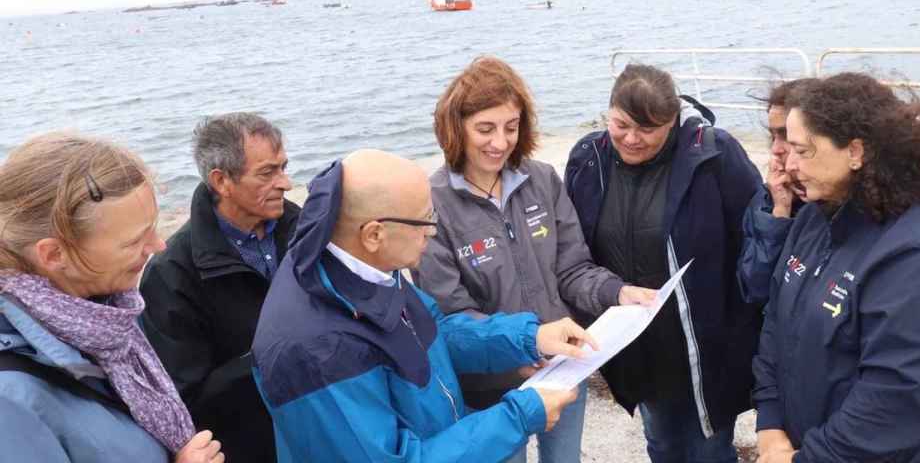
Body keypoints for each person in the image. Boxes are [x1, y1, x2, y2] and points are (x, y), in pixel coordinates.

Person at [252, 149, 595, 463]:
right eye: (424, 220)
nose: (433, 231)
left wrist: (526, 338)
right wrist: (521, 415)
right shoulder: (316, 350)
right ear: (374, 234)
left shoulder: (358, 265)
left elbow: (432, 332)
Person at [415, 56, 657, 463]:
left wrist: (618, 291)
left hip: (563, 368)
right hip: (487, 391)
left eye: (511, 127)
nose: (500, 142)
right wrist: (519, 357)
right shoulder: (430, 203)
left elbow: (572, 269)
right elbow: (451, 314)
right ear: (455, 128)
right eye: (485, 129)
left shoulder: (542, 179)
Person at [753, 73, 920, 463]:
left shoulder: (919, 251)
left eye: (803, 150)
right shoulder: (815, 218)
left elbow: (897, 397)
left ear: (855, 151)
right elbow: (775, 324)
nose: (789, 162)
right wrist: (770, 425)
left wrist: (804, 459)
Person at [564, 63, 763, 463]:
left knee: (708, 451)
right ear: (608, 112)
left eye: (648, 129)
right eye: (621, 124)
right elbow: (575, 249)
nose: (632, 139)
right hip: (638, 348)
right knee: (662, 445)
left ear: (673, 121)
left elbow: (756, 241)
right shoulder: (589, 158)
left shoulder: (716, 155)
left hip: (704, 350)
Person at [0, 133, 224, 463]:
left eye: (154, 227)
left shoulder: (104, 318)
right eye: (133, 241)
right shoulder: (12, 399)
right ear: (53, 254)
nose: (158, 246)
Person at [140, 112, 297, 462]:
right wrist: (275, 354)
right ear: (222, 181)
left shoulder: (303, 227)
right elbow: (185, 399)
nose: (286, 183)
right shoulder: (171, 274)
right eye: (268, 173)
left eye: (284, 167)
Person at [737, 79, 812, 305]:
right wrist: (780, 212)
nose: (776, 149)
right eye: (773, 136)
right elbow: (755, 288)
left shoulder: (834, 203)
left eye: (787, 136)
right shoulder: (766, 201)